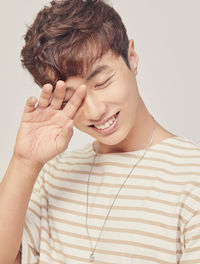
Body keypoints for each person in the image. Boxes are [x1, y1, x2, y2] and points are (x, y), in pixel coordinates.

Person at [0, 0, 200, 263]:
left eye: (102, 82)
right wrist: (24, 162)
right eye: (73, 97)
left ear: (132, 57)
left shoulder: (192, 175)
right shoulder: (52, 176)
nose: (95, 111)